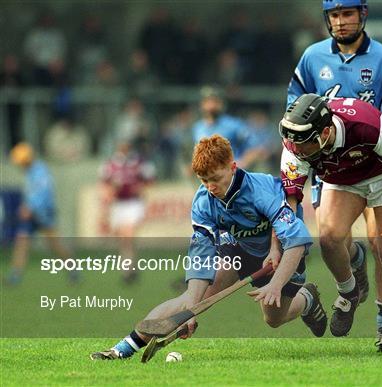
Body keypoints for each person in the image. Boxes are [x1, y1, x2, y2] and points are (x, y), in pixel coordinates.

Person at [91, 135, 327, 360]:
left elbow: (296, 242)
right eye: (204, 180)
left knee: (274, 318)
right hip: (239, 249)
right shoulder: (204, 202)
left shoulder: (261, 189)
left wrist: (276, 284)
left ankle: (308, 298)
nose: (210, 186)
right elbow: (201, 257)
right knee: (193, 297)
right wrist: (191, 311)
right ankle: (122, 349)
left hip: (283, 250)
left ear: (232, 167)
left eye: (215, 178)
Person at [285, 0, 382, 332]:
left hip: (378, 160)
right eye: (334, 15)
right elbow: (293, 106)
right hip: (332, 165)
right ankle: (352, 280)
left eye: (347, 14)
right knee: (332, 237)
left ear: (362, 15)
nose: (340, 22)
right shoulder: (312, 57)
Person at [280, 94, 382, 353]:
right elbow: (291, 199)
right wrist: (285, 240)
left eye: (306, 144)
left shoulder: (367, 125)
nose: (298, 150)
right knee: (329, 238)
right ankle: (348, 292)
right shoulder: (295, 142)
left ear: (325, 132)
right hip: (341, 180)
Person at [5, 143, 77, 285]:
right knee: (22, 241)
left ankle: (73, 269)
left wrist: (30, 207)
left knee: (55, 245)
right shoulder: (29, 172)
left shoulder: (40, 171)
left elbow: (44, 193)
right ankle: (15, 275)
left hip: (43, 214)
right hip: (30, 215)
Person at [98, 140, 155, 284]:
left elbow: (150, 180)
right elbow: (104, 185)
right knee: (123, 239)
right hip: (118, 204)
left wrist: (140, 187)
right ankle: (131, 267)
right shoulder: (111, 164)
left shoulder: (138, 162)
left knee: (128, 234)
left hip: (133, 203)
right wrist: (106, 201)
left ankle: (128, 270)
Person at [191, 86, 265, 170]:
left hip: (231, 176)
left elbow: (255, 146)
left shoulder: (234, 125)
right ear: (202, 104)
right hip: (208, 177)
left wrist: (243, 162)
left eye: (215, 101)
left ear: (221, 104)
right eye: (208, 101)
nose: (211, 105)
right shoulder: (197, 128)